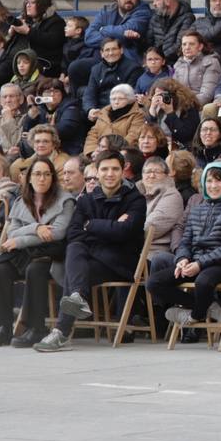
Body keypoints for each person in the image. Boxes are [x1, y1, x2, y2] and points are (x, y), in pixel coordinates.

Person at [34, 150, 147, 352]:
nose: (109, 174)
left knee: (75, 269)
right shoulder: (86, 200)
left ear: (123, 171)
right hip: (94, 260)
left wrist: (91, 224)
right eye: (105, 169)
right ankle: (75, 302)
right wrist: (110, 227)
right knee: (75, 248)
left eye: (115, 169)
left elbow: (125, 232)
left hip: (120, 263)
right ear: (97, 171)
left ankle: (61, 332)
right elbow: (74, 234)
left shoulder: (135, 200)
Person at [145, 161, 221, 330]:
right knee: (154, 283)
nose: (213, 186)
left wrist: (200, 264)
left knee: (203, 281)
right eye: (209, 181)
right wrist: (182, 259)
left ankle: (194, 315)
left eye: (218, 181)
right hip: (194, 262)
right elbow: (186, 241)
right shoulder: (197, 209)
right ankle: (210, 307)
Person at [0, 157, 75, 348]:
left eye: (47, 174)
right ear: (29, 178)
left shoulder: (65, 200)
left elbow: (56, 233)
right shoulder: (21, 200)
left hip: (51, 253)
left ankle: (36, 328)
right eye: (37, 174)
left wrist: (20, 240)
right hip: (25, 253)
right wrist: (36, 228)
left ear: (53, 178)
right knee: (2, 269)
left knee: (35, 269)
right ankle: (3, 327)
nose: (42, 178)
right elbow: (12, 231)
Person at [74, 0, 150, 83]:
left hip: (127, 56)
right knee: (75, 68)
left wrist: (103, 29)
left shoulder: (142, 11)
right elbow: (89, 37)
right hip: (104, 55)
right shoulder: (107, 11)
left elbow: (128, 29)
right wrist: (115, 39)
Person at [22, 77, 84, 156]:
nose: (52, 94)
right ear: (41, 95)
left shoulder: (71, 107)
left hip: (68, 150)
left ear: (62, 94)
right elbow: (25, 130)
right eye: (48, 92)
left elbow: (66, 128)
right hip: (44, 150)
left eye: (56, 91)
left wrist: (34, 134)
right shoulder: (40, 108)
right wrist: (31, 116)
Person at [83, 37, 142, 117]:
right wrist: (90, 109)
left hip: (121, 111)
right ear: (102, 53)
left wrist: (105, 113)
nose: (110, 53)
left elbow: (129, 97)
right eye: (107, 50)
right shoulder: (96, 69)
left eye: (114, 49)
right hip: (98, 110)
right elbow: (90, 93)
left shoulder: (133, 68)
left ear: (121, 50)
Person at [138, 155, 185, 255]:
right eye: (148, 172)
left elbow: (150, 228)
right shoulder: (134, 193)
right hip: (131, 248)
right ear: (142, 175)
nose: (151, 175)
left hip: (152, 253)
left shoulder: (172, 196)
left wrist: (123, 230)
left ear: (166, 175)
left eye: (157, 172)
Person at [12, 0, 65, 74]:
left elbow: (52, 41)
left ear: (43, 5)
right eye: (27, 2)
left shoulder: (56, 22)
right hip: (22, 62)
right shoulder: (26, 20)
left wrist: (28, 31)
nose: (28, 5)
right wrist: (11, 34)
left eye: (32, 3)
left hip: (46, 67)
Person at [81, 83, 141, 157]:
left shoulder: (137, 114)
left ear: (130, 99)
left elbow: (133, 136)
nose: (116, 102)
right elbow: (93, 134)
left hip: (122, 155)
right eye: (113, 99)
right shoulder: (104, 113)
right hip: (99, 154)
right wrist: (92, 151)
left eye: (121, 99)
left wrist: (111, 152)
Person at [142, 77, 201, 149]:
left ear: (174, 95)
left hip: (182, 148)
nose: (162, 98)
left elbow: (185, 136)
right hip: (159, 147)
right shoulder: (154, 107)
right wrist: (152, 112)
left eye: (164, 95)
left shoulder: (188, 107)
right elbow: (148, 134)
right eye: (158, 95)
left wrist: (170, 113)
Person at [172, 31, 221, 107]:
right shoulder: (178, 64)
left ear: (200, 47)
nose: (187, 47)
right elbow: (173, 91)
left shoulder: (211, 62)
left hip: (202, 107)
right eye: (184, 44)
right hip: (182, 106)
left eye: (191, 44)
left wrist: (185, 106)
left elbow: (207, 95)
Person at [147, 0, 195, 64]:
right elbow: (149, 42)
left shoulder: (187, 18)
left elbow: (180, 45)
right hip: (156, 63)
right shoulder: (155, 17)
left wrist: (161, 58)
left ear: (167, 1)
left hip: (176, 63)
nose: (154, 4)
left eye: (157, 0)